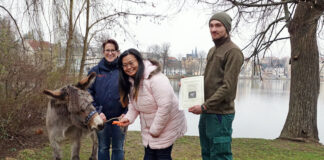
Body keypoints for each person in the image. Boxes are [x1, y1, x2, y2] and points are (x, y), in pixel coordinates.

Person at [188, 12, 244, 160]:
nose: (213, 29)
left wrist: (205, 106)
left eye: (218, 25)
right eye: (211, 25)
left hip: (220, 114)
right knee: (206, 153)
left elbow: (228, 87)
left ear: (226, 27)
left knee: (220, 156)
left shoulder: (233, 51)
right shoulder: (212, 50)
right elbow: (209, 80)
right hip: (207, 113)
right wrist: (189, 85)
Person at [117, 48, 187, 160]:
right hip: (150, 128)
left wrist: (154, 130)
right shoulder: (131, 81)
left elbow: (165, 106)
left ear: (139, 61)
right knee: (150, 155)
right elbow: (134, 106)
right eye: (124, 65)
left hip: (166, 124)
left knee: (161, 156)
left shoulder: (156, 78)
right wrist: (128, 118)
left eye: (131, 63)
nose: (128, 67)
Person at [88, 39, 127, 160]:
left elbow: (131, 94)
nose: (110, 53)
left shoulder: (124, 71)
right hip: (101, 119)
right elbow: (88, 94)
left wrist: (126, 113)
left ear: (117, 52)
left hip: (119, 118)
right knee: (103, 147)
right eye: (107, 50)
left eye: (112, 50)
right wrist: (98, 112)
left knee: (118, 148)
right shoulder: (95, 71)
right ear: (103, 52)